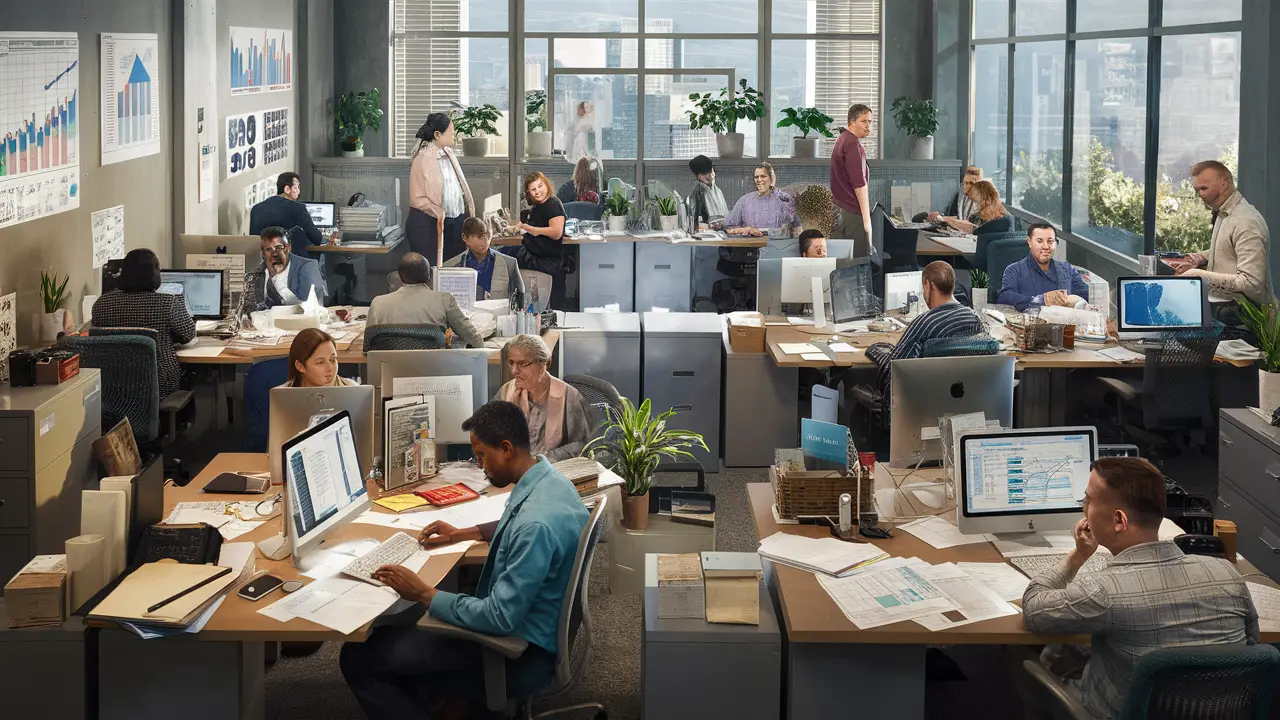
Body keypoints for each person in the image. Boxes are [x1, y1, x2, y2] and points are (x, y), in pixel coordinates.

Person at [340, 400, 589, 720]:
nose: (479, 465)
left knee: (359, 658)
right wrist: (465, 533)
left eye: (482, 455)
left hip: (516, 654)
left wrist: (424, 594)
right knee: (401, 631)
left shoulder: (534, 527)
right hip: (533, 629)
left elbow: (499, 617)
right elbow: (518, 524)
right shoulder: (550, 482)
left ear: (507, 448)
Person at [1019, 457, 1257, 720]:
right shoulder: (1226, 574)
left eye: (1088, 501)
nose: (1084, 509)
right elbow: (1250, 647)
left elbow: (1033, 609)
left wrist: (1077, 557)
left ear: (1118, 520)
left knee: (1022, 654)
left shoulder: (1103, 590)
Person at [1165, 161, 1273, 320]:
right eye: (1197, 190)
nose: (1200, 195)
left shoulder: (1246, 221)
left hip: (1247, 322)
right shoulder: (1224, 213)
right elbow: (1229, 248)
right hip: (1228, 315)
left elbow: (1252, 283)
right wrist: (1199, 258)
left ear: (1223, 183)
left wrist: (1198, 276)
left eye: (1204, 188)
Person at [866, 261, 985, 400]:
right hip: (962, 400)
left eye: (923, 288)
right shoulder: (974, 319)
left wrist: (875, 349)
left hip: (921, 403)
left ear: (929, 286)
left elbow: (896, 369)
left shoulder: (925, 322)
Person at [91, 248, 196, 399]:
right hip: (159, 385)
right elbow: (188, 334)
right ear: (154, 274)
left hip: (112, 386)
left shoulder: (102, 303)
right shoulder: (167, 303)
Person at [494, 334, 594, 462]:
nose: (514, 371)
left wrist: (542, 460)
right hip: (513, 470)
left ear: (546, 363)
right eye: (511, 363)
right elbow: (489, 432)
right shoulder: (507, 391)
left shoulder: (568, 396)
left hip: (552, 472)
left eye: (523, 363)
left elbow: (583, 444)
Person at [366, 252, 485, 348]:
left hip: (388, 373)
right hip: (432, 372)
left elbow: (368, 347)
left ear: (400, 277)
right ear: (429, 277)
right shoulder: (444, 300)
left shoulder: (378, 303)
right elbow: (472, 336)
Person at [408, 113, 475, 265]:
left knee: (455, 265)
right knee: (434, 270)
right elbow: (416, 198)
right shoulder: (422, 158)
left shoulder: (449, 154)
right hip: (430, 224)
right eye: (451, 133)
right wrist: (437, 211)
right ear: (437, 135)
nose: (454, 136)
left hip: (455, 222)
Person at [997, 223, 1091, 311]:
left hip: (1067, 325)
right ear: (1029, 242)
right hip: (1029, 325)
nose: (1046, 246)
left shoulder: (1067, 269)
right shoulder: (1014, 269)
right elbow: (1004, 298)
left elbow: (1088, 295)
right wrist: (1042, 300)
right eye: (1040, 241)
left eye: (1050, 241)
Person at [514, 171, 570, 311]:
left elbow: (556, 232)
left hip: (545, 259)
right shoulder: (539, 206)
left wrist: (533, 230)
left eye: (540, 186)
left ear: (546, 184)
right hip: (536, 254)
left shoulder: (552, 204)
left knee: (504, 259)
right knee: (504, 255)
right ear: (528, 192)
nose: (537, 191)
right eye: (533, 189)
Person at [248, 172, 331, 259]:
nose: (299, 191)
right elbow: (316, 238)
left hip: (265, 263)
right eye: (296, 187)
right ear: (287, 189)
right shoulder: (297, 208)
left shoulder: (256, 209)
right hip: (291, 264)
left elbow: (254, 240)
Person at [443, 216, 526, 302]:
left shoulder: (509, 264)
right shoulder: (451, 268)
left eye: (486, 235)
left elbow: (520, 297)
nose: (485, 240)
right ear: (465, 237)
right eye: (479, 237)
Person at [831, 103, 873, 258]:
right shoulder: (853, 145)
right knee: (859, 264)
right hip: (852, 213)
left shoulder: (842, 140)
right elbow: (859, 184)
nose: (868, 126)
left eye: (870, 122)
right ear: (851, 122)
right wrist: (867, 221)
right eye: (864, 121)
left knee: (842, 262)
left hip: (839, 210)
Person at [250, 227, 327, 308]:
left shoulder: (307, 267)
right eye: (268, 249)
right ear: (263, 253)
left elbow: (310, 305)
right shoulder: (257, 273)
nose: (275, 254)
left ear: (288, 248)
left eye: (279, 247)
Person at [724, 163, 798, 237]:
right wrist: (746, 230)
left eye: (763, 176)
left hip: (777, 246)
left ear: (771, 178)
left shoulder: (784, 200)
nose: (759, 180)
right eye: (756, 177)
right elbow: (728, 228)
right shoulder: (744, 201)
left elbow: (797, 227)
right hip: (751, 245)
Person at [284, 328, 359, 387]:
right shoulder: (282, 397)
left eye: (332, 360)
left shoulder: (353, 389)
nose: (330, 368)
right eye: (320, 362)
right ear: (300, 366)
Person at [939, 180, 1013, 235]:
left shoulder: (999, 218)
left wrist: (946, 219)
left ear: (983, 195)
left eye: (975, 202)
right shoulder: (1002, 215)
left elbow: (972, 228)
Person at [687, 154, 729, 228]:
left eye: (710, 171)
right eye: (703, 174)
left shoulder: (716, 190)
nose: (708, 176)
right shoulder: (697, 192)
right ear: (697, 176)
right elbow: (695, 222)